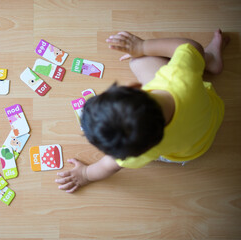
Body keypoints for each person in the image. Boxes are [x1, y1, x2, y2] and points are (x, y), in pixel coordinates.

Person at [55, 29, 230, 193]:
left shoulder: (144, 151)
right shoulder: (180, 75)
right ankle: (211, 59)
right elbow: (193, 48)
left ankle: (211, 62)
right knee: (138, 60)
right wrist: (142, 47)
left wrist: (85, 174)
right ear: (136, 87)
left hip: (192, 150)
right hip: (211, 111)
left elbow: (108, 166)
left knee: (128, 151)